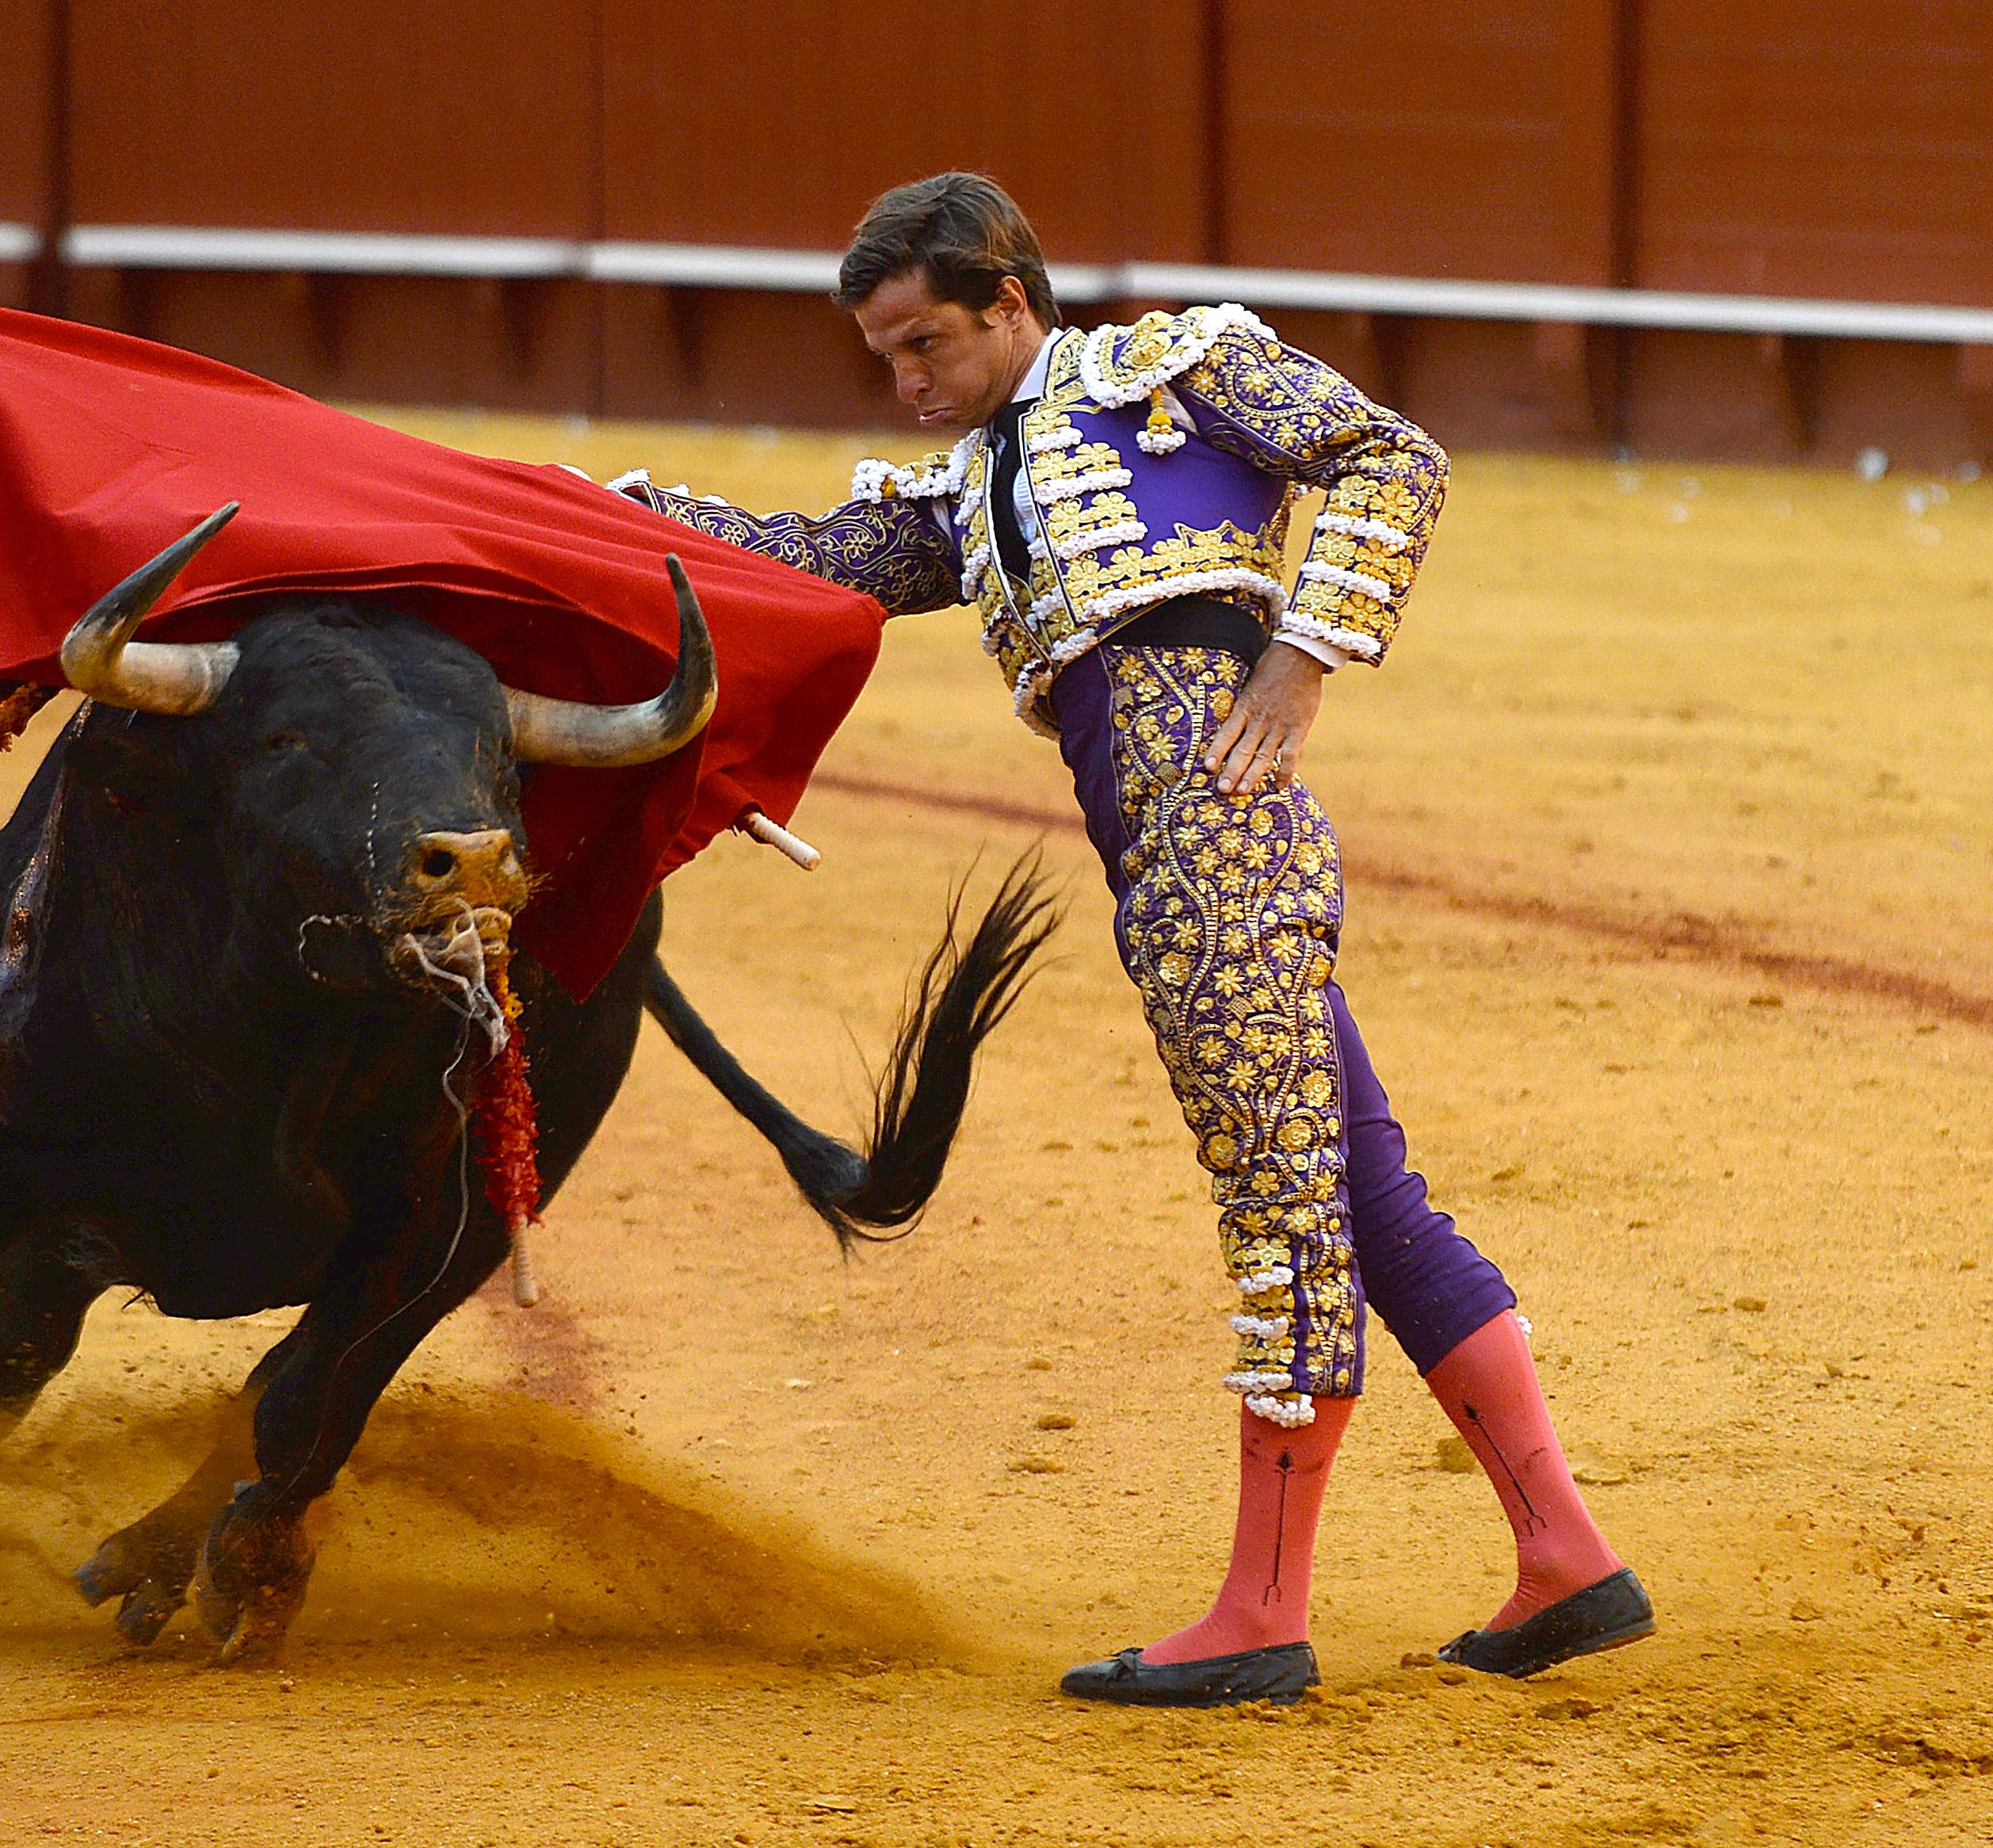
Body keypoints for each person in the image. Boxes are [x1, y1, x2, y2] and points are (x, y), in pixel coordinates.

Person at [608, 172, 1649, 1706]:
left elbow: (1390, 454)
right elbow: (813, 561)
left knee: (1282, 1207)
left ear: (1012, 301)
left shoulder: (1173, 369)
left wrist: (1304, 657)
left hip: (1220, 834)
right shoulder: (970, 488)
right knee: (1367, 1194)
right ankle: (1564, 1552)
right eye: (883, 356)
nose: (905, 385)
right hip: (1162, 857)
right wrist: (614, 520)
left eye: (925, 346)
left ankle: (1264, 1609)